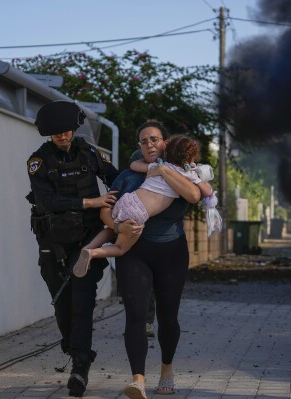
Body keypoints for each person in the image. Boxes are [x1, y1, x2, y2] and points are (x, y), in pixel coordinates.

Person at [26, 101, 119, 397]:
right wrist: (91, 202)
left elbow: (117, 179)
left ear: (74, 129)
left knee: (83, 303)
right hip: (53, 243)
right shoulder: (37, 162)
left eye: (66, 132)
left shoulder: (91, 153)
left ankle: (80, 367)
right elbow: (46, 203)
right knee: (62, 304)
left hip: (87, 241)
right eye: (56, 135)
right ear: (48, 135)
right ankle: (73, 346)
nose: (63, 137)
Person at [105, 120, 201, 399]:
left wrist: (162, 170)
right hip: (134, 252)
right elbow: (105, 211)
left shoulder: (183, 172)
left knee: (168, 318)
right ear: (139, 145)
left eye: (155, 139)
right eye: (144, 140)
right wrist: (117, 226)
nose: (149, 144)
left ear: (165, 142)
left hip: (171, 252)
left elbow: (195, 195)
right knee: (135, 315)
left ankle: (167, 370)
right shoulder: (127, 175)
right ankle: (138, 380)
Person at [72, 135, 214, 277]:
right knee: (120, 248)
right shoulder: (187, 175)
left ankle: (88, 247)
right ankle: (93, 253)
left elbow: (133, 165)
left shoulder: (158, 166)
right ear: (189, 159)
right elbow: (207, 192)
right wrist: (195, 172)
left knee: (112, 228)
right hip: (138, 213)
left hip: (128, 199)